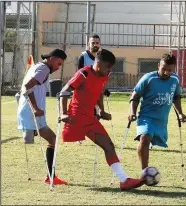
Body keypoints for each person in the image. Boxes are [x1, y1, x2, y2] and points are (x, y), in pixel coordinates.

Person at [59, 49, 145, 190]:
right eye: (108, 67)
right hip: (76, 118)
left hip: (90, 119)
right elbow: (64, 91)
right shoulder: (83, 74)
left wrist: (102, 110)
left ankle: (124, 180)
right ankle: (50, 174)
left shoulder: (104, 74)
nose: (109, 71)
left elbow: (99, 91)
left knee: (109, 146)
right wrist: (63, 113)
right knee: (61, 147)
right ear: (98, 63)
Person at [17, 48, 68, 185]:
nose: (58, 68)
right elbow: (28, 87)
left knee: (51, 139)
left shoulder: (37, 66)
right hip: (33, 112)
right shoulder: (44, 69)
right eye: (59, 63)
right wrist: (35, 108)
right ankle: (50, 177)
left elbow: (24, 87)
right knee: (53, 139)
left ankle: (51, 176)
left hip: (27, 111)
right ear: (52, 58)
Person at [128, 54, 186, 170]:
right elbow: (135, 97)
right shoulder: (148, 78)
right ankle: (145, 171)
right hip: (146, 117)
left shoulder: (175, 80)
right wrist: (132, 113)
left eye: (169, 70)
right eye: (163, 69)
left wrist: (180, 113)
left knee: (148, 140)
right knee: (144, 138)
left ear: (174, 69)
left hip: (161, 120)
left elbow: (176, 97)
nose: (166, 72)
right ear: (158, 66)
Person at [76, 34, 110, 145]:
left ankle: (92, 132)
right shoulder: (83, 57)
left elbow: (104, 75)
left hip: (97, 91)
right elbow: (79, 74)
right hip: (85, 91)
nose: (95, 45)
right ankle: (79, 135)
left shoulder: (102, 58)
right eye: (93, 43)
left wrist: (104, 88)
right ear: (88, 44)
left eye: (97, 43)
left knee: (98, 113)